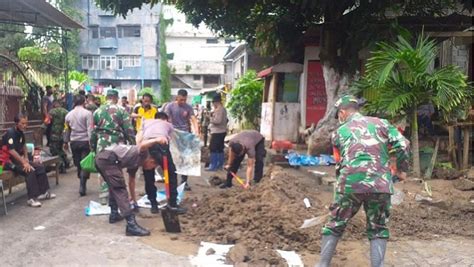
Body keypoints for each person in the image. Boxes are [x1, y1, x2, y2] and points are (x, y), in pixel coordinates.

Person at [315, 95, 410, 267]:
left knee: (334, 225)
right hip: (380, 185)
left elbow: (339, 163)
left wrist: (343, 187)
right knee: (378, 229)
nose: (339, 118)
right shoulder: (382, 123)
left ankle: (322, 265)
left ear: (342, 113)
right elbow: (403, 144)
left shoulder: (338, 133)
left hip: (350, 184)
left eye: (338, 115)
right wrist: (402, 170)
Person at [95, 137, 167, 236]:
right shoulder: (143, 153)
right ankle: (131, 225)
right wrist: (157, 140)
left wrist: (134, 201)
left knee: (114, 186)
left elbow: (131, 181)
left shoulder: (136, 163)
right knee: (120, 189)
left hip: (104, 159)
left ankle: (114, 213)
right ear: (151, 160)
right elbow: (142, 145)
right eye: (153, 166)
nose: (152, 168)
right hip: (107, 159)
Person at [91, 89, 136, 207]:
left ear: (106, 97)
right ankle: (115, 198)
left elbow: (93, 131)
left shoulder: (97, 111)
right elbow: (129, 130)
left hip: (101, 142)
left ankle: (104, 198)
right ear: (116, 98)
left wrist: (92, 147)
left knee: (102, 170)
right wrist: (133, 146)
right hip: (117, 144)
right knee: (116, 170)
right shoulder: (121, 110)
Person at [1, 114, 56, 207]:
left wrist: (26, 158)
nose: (25, 125)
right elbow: (11, 151)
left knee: (40, 167)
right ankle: (31, 199)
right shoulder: (11, 133)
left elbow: (24, 145)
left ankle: (43, 193)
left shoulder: (21, 132)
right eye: (22, 123)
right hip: (7, 162)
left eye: (26, 123)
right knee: (29, 171)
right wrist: (24, 162)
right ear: (17, 123)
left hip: (18, 160)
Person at [136, 112, 187, 214]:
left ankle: (153, 205)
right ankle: (172, 204)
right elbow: (175, 140)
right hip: (160, 145)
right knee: (171, 174)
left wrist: (140, 151)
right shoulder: (168, 124)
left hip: (147, 145)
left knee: (148, 176)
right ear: (166, 119)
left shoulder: (146, 122)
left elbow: (139, 137)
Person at [165, 89, 200, 191]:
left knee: (186, 158)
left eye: (184, 100)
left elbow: (193, 119)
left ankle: (184, 182)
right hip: (173, 134)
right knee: (173, 158)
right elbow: (167, 119)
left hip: (185, 135)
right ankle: (173, 181)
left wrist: (196, 131)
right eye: (181, 100)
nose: (183, 102)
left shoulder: (188, 107)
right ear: (177, 97)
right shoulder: (170, 106)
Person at [64, 94, 93, 196]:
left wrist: (65, 142)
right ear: (83, 102)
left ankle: (81, 178)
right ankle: (82, 184)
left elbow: (67, 130)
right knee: (85, 163)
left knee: (78, 163)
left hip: (74, 142)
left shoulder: (68, 115)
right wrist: (91, 143)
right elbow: (90, 129)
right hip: (85, 141)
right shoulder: (88, 113)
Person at [206, 95, 228, 171]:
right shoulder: (222, 109)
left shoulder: (219, 110)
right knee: (219, 149)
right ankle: (219, 165)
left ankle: (213, 165)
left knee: (213, 148)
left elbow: (217, 121)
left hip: (217, 132)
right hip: (221, 131)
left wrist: (210, 118)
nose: (213, 105)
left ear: (216, 102)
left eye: (213, 103)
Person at [48, 100, 69, 173]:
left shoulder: (52, 112)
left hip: (55, 134)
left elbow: (47, 121)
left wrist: (42, 129)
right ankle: (66, 162)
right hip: (63, 134)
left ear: (54, 104)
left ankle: (61, 166)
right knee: (60, 149)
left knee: (54, 150)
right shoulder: (66, 112)